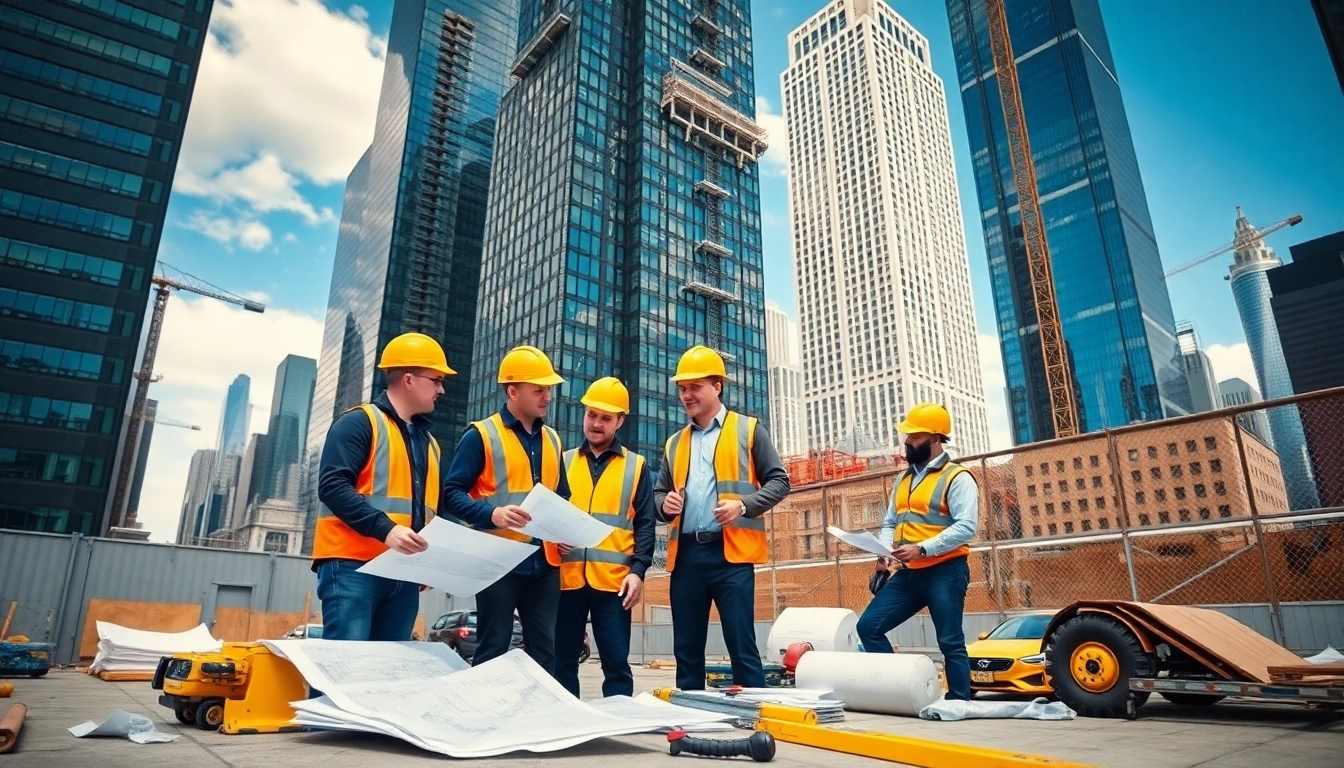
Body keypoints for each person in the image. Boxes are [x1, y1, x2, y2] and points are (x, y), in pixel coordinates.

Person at [654, 345, 791, 690]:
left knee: (741, 644)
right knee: (686, 647)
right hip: (685, 557)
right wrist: (664, 504)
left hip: (730, 556)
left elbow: (780, 481)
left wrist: (742, 506)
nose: (686, 395)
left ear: (717, 386)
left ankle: (755, 718)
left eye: (694, 387)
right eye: (682, 388)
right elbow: (658, 496)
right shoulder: (674, 443)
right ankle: (690, 713)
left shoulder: (748, 430)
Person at [312, 332, 451, 642]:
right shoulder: (358, 423)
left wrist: (428, 564)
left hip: (404, 572)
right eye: (437, 379)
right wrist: (386, 529)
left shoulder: (429, 444)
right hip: (353, 567)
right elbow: (332, 486)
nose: (441, 389)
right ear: (409, 379)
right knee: (344, 669)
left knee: (385, 674)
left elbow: (430, 512)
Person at [442, 345, 568, 673]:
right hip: (498, 561)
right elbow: (451, 494)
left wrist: (565, 530)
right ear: (513, 391)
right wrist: (492, 514)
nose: (548, 397)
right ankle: (488, 719)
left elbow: (562, 496)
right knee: (493, 645)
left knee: (545, 649)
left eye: (549, 389)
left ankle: (535, 719)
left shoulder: (553, 440)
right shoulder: (481, 435)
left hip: (544, 564)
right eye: (539, 390)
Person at [856, 403, 978, 701]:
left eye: (915, 436)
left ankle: (960, 702)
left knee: (950, 641)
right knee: (868, 627)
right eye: (907, 435)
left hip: (945, 571)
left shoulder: (957, 477)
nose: (907, 441)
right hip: (908, 573)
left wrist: (923, 548)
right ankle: (899, 691)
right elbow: (890, 521)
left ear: (935, 439)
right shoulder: (903, 479)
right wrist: (884, 553)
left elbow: (967, 527)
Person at [554, 377, 656, 698]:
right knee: (563, 662)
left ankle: (618, 721)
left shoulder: (636, 467)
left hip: (614, 584)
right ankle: (565, 723)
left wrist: (638, 572)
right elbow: (548, 515)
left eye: (606, 418)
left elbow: (645, 526)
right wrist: (551, 540)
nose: (596, 424)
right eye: (591, 415)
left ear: (620, 421)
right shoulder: (563, 460)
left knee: (615, 663)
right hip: (566, 580)